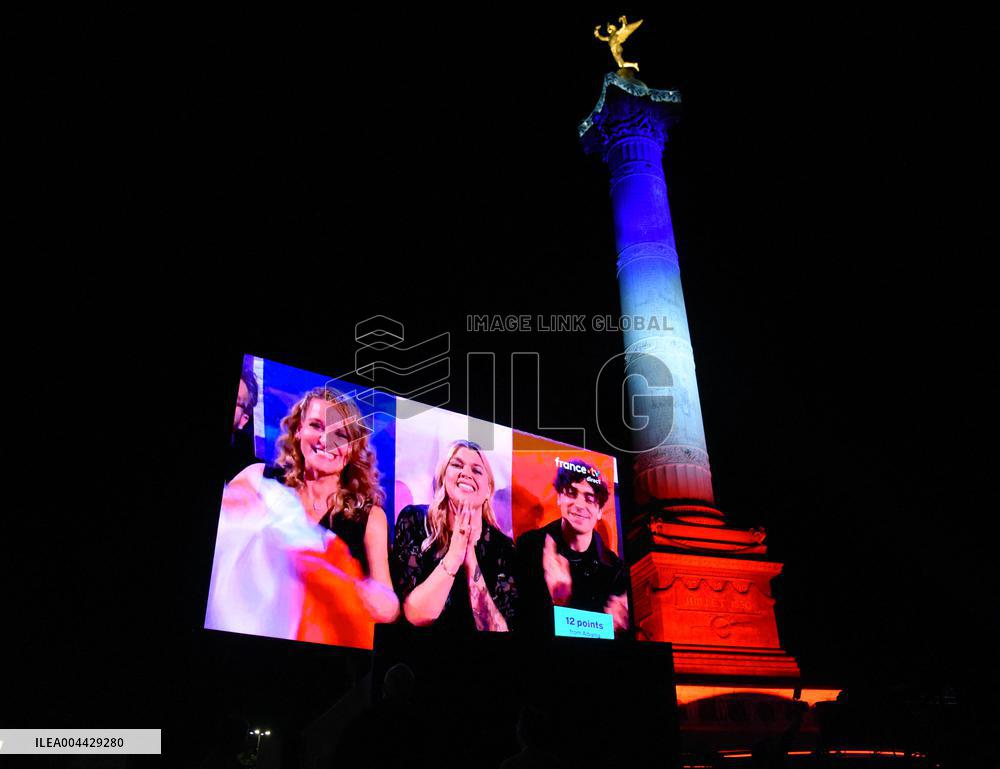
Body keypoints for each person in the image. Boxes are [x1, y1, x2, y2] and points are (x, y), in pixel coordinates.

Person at [206, 386, 398, 648]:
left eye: (340, 435)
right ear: (298, 430)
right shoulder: (258, 478)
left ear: (352, 450)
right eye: (317, 426)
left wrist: (351, 588)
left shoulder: (370, 516)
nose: (326, 440)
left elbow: (389, 604)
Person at [390, 439, 517, 632]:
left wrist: (470, 560)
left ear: (488, 490)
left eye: (476, 470)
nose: (465, 473)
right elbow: (414, 615)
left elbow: (500, 631)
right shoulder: (414, 520)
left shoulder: (503, 548)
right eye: (456, 465)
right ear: (443, 476)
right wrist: (454, 555)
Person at [515, 459, 629, 634]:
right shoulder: (530, 546)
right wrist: (555, 602)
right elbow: (521, 623)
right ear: (559, 497)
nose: (579, 505)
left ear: (599, 511)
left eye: (589, 499)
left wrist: (621, 625)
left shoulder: (615, 570)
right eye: (571, 492)